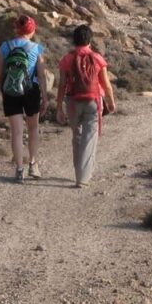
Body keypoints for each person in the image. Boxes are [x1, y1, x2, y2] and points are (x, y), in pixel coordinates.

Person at [55, 24, 116, 189]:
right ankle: (82, 178)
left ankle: (78, 171)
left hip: (73, 103)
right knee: (90, 138)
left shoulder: (66, 59)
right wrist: (110, 101)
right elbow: (106, 84)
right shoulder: (97, 58)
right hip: (93, 102)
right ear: (90, 40)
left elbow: (61, 84)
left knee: (78, 136)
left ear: (74, 40)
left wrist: (59, 107)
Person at [0, 14, 49, 183]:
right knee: (33, 128)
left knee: (17, 132)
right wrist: (45, 97)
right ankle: (33, 164)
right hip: (31, 90)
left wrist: (3, 89)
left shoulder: (5, 47)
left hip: (11, 91)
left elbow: (0, 71)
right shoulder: (36, 48)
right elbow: (41, 75)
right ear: (32, 30)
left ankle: (19, 170)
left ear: (16, 29)